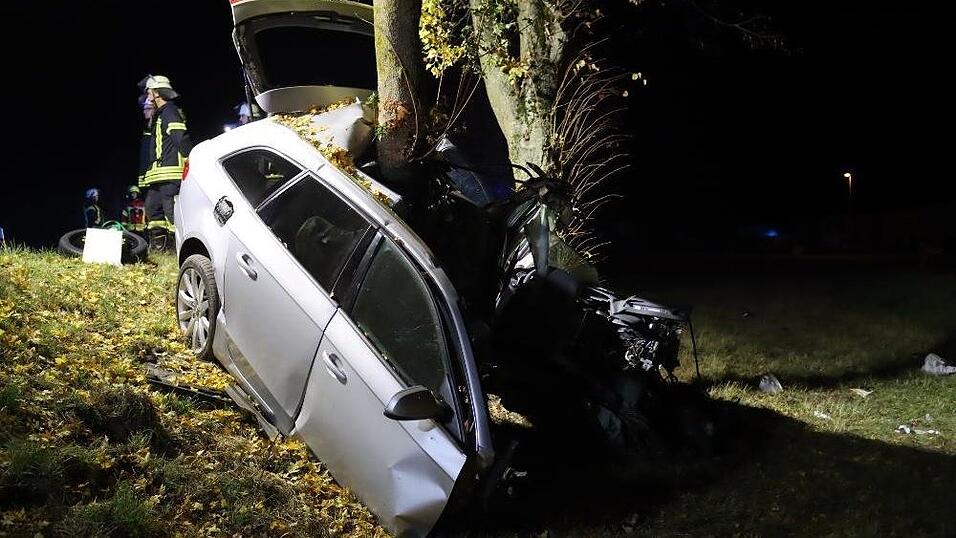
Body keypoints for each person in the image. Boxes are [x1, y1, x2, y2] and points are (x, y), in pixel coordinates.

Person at [139, 75, 193, 251]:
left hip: (170, 172)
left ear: (157, 93)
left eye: (149, 92)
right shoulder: (160, 115)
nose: (147, 96)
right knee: (153, 209)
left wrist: (190, 158)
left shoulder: (170, 111)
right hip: (159, 174)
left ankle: (183, 248)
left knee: (171, 212)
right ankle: (160, 248)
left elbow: (180, 137)